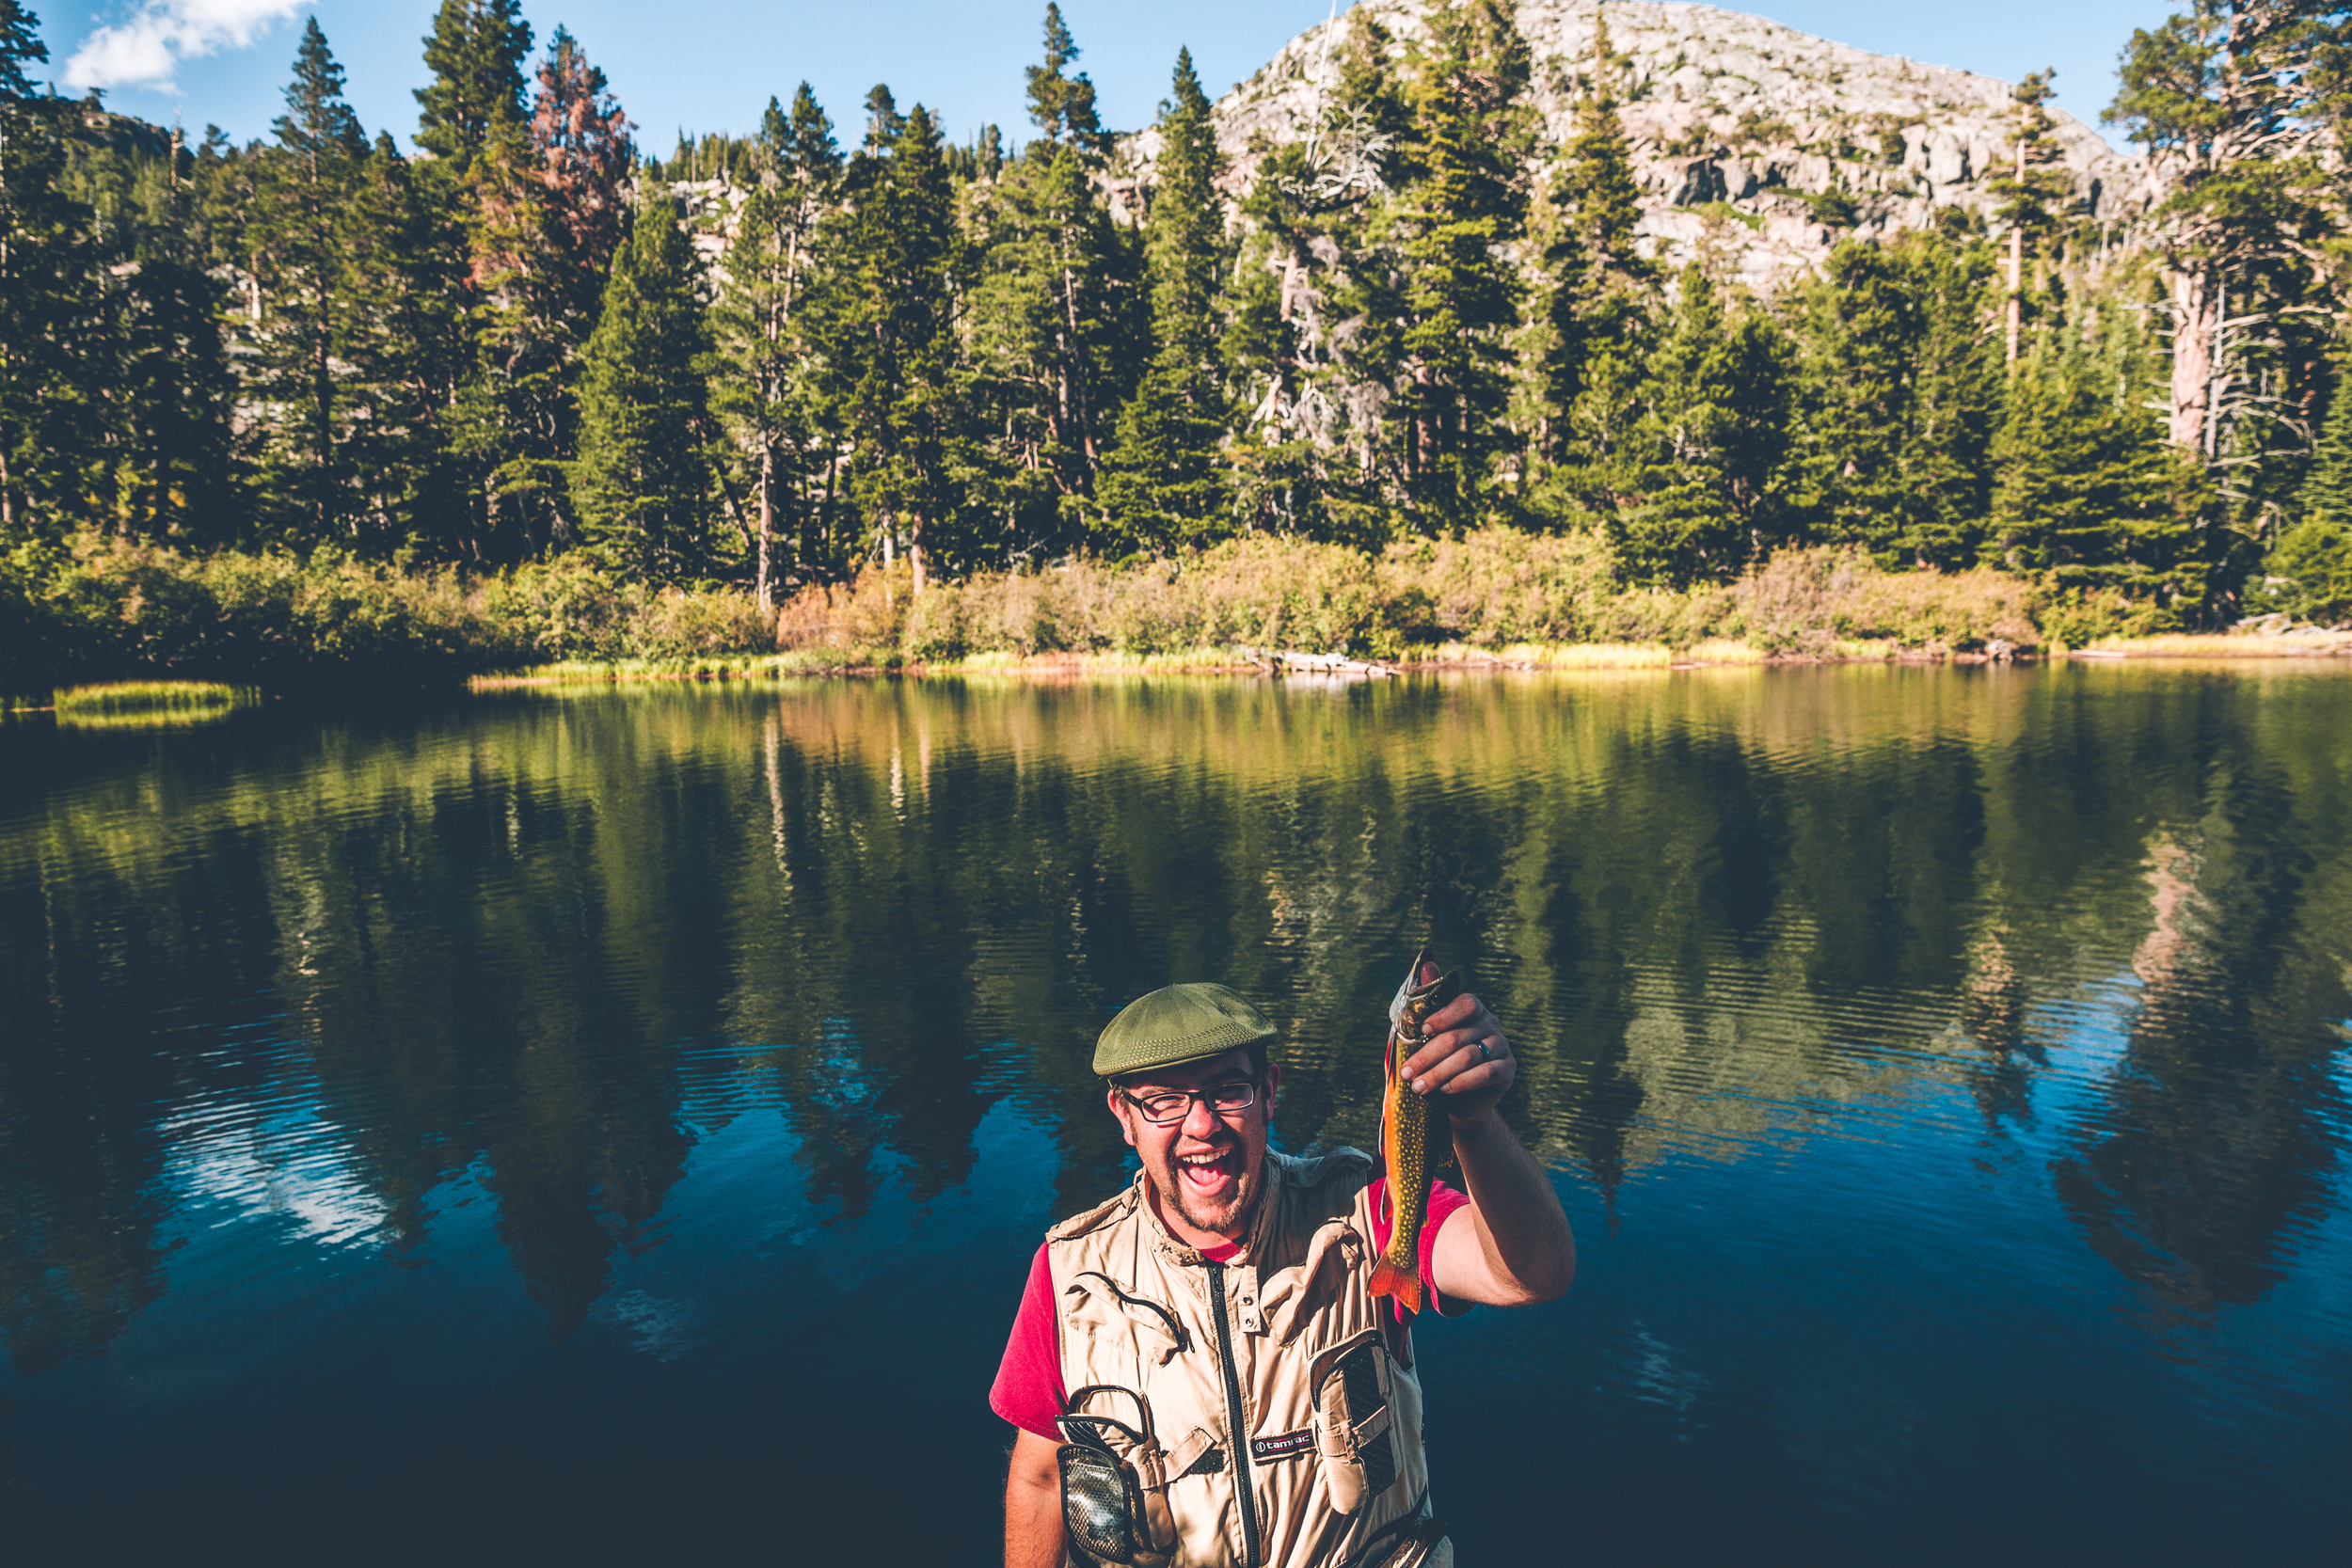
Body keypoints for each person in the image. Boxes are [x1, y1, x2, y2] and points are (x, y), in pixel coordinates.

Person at [992, 977, 1576, 1567]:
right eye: (1164, 1100)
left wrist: (1474, 1126)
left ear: (1268, 1092)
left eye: (1229, 1091)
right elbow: (1041, 1480)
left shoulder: (1367, 1209)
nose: (1201, 1125)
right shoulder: (1069, 1271)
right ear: (1124, 1115)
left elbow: (1531, 1274)